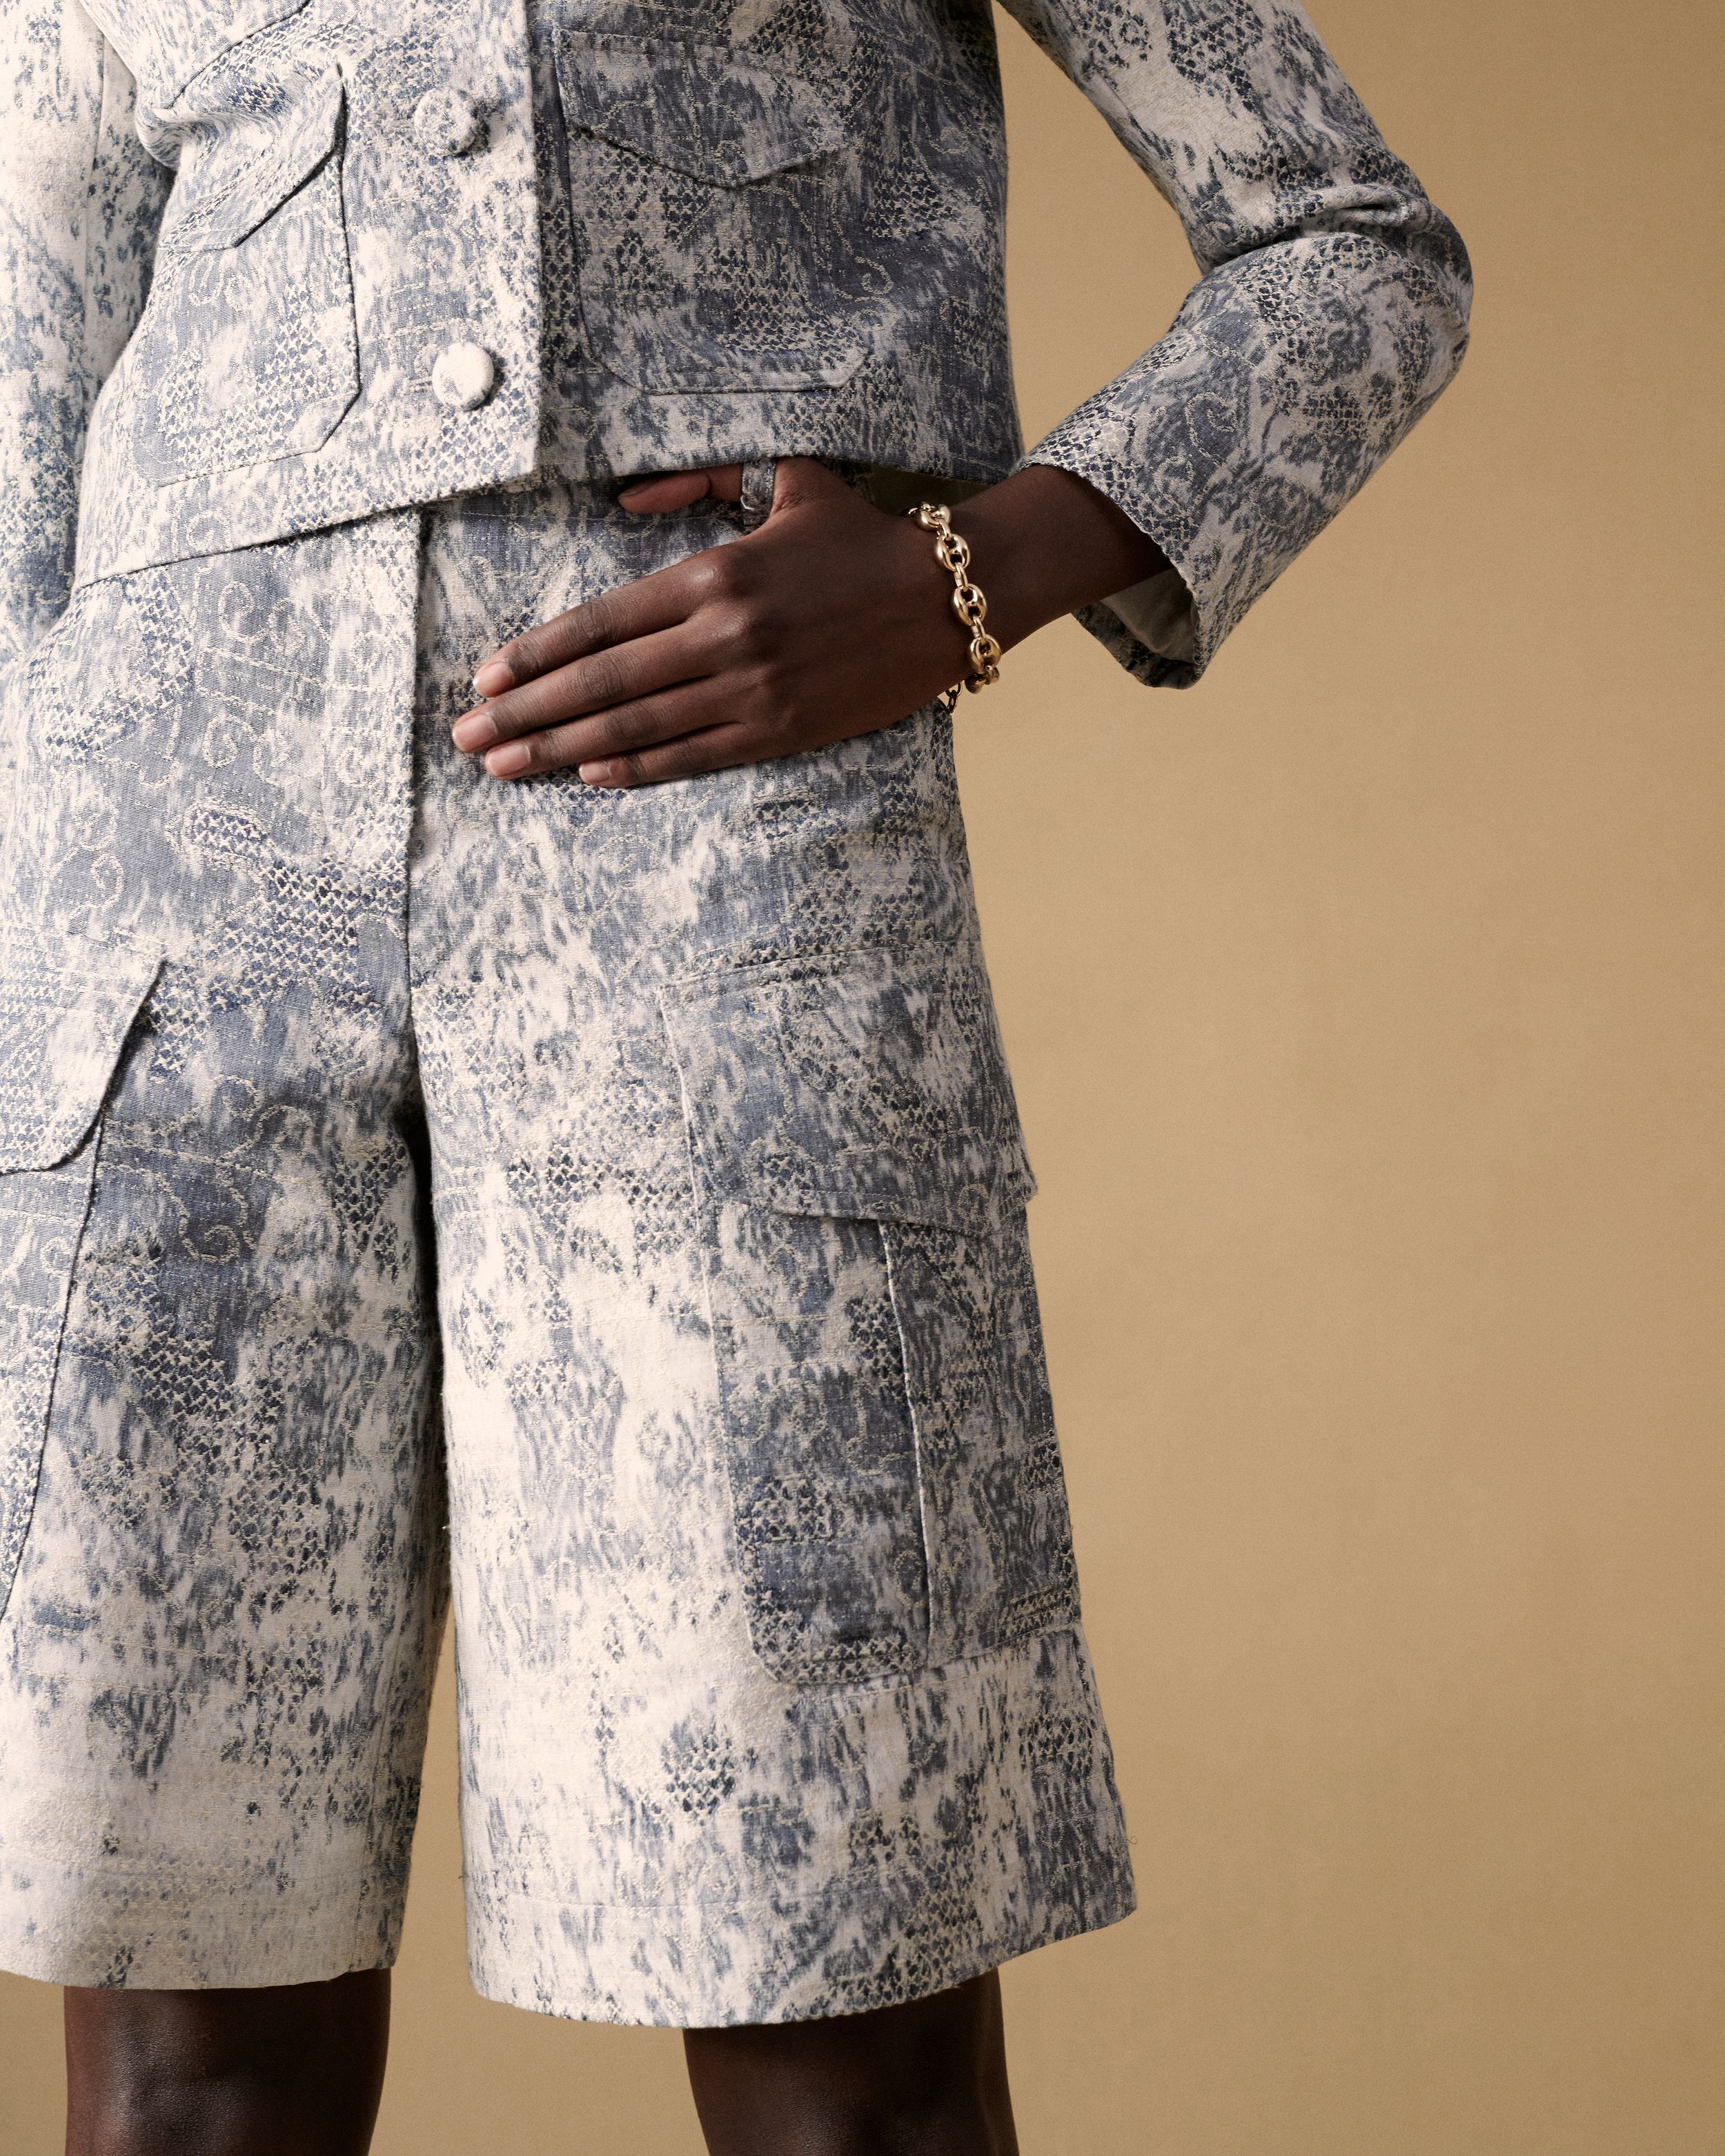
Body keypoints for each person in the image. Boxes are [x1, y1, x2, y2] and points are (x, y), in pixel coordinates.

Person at [0, 0, 1469, 2148]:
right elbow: (25, 418)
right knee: (185, 2072)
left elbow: (1349, 241)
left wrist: (967, 575)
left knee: (842, 2044)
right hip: (151, 973)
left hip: (721, 912)